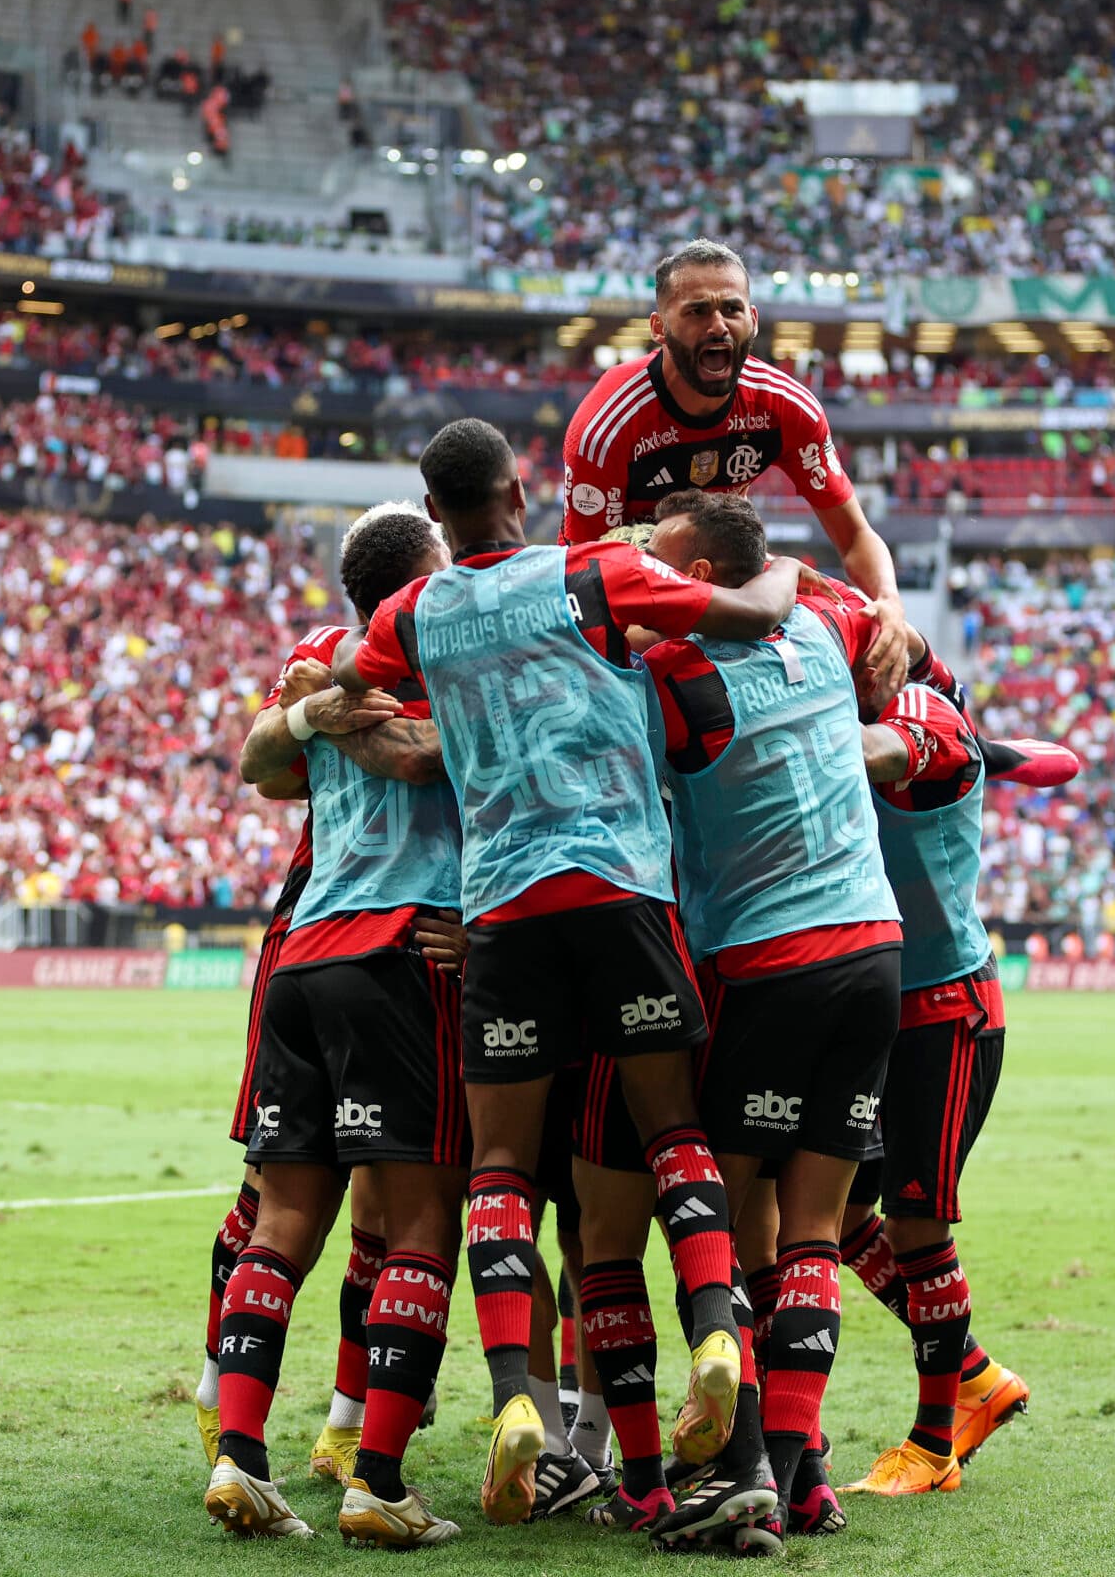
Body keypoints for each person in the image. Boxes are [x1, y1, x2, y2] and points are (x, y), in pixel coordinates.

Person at [335, 419, 803, 1539]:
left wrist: (432, 739)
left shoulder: (413, 610)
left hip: (501, 909)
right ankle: (717, 1335)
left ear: (436, 512)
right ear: (516, 487)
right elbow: (753, 613)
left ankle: (514, 1399)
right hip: (620, 889)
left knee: (500, 1160)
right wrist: (788, 569)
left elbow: (353, 693)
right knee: (671, 1126)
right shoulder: (594, 569)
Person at [618, 491, 902, 1544]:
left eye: (659, 559)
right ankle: (801, 1474)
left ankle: (746, 1476)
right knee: (813, 1232)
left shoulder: (676, 675)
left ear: (699, 572)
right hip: (874, 945)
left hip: (769, 961)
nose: (644, 572)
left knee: (729, 1226)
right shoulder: (824, 626)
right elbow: (877, 622)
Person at [206, 504, 472, 1547]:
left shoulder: (321, 656)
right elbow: (438, 759)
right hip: (403, 948)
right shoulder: (451, 648)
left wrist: (324, 711)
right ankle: (379, 1479)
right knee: (417, 1227)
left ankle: (241, 1459)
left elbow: (262, 754)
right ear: (421, 581)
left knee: (284, 1225)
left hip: (303, 952)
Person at [833, 676, 1080, 1497]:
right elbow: (1049, 760)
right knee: (837, 1215)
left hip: (944, 1009)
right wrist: (996, 752)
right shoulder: (918, 731)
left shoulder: (913, 734)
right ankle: (975, 1371)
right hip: (875, 1000)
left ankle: (934, 1443)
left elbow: (1056, 760)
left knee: (916, 1223)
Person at [559, 239, 914, 703]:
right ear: (659, 328)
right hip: (633, 596)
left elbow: (854, 536)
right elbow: (587, 582)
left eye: (731, 308)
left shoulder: (784, 406)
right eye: (697, 311)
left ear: (753, 320)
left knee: (871, 625)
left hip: (728, 576)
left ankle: (959, 726)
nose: (717, 325)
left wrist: (889, 600)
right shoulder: (608, 424)